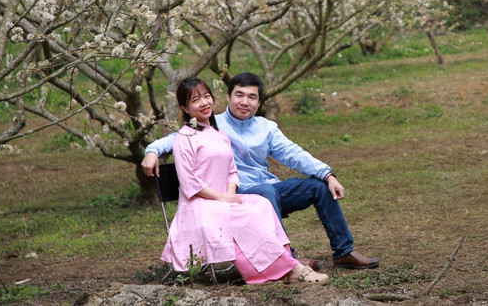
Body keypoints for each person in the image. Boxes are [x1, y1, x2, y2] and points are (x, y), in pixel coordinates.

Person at [143, 72, 379, 270]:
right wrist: (152, 151)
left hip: (269, 190)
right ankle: (289, 259)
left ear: (259, 101)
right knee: (267, 192)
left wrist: (328, 174)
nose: (245, 102)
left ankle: (343, 251)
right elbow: (174, 139)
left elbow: (293, 154)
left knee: (318, 187)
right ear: (228, 96)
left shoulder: (266, 128)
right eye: (239, 95)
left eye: (252, 97)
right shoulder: (211, 124)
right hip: (238, 195)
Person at [161, 77, 327, 284]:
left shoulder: (218, 133)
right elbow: (189, 184)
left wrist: (230, 193)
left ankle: (286, 264)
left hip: (224, 198)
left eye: (206, 96)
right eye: (195, 100)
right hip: (200, 204)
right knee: (246, 215)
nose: (204, 103)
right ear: (185, 108)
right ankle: (285, 270)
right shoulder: (184, 139)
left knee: (262, 204)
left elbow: (232, 170)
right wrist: (222, 197)